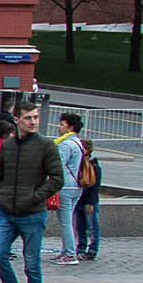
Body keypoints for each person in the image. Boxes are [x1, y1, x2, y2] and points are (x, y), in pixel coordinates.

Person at [0, 102, 62, 283]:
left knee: (31, 265)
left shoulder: (46, 146)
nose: (33, 122)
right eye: (28, 118)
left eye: (36, 118)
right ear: (17, 120)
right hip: (6, 211)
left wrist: (34, 197)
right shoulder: (8, 146)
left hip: (32, 213)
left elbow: (57, 179)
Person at [51, 114, 85, 266]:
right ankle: (66, 251)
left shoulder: (65, 144)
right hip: (76, 185)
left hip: (65, 186)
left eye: (62, 124)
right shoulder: (77, 142)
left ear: (70, 128)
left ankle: (70, 254)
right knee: (68, 220)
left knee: (65, 222)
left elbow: (57, 164)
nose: (58, 126)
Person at [75, 137, 102, 261]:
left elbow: (95, 187)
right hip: (79, 199)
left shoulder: (93, 166)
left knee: (92, 226)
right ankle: (81, 247)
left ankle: (92, 250)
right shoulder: (78, 164)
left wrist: (91, 202)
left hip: (89, 201)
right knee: (81, 226)